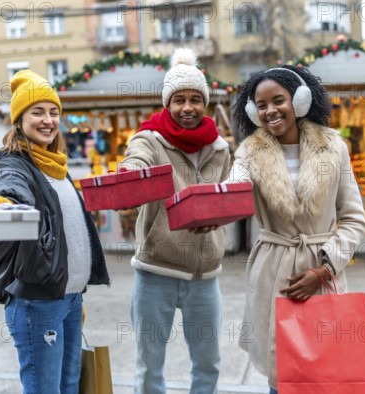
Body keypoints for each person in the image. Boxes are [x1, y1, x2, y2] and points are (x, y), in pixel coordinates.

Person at [228, 65, 365, 393]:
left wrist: (324, 269)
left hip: (323, 271)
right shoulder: (249, 153)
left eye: (278, 100)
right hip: (273, 274)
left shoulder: (334, 147)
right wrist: (205, 214)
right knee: (282, 375)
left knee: (327, 376)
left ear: (300, 100)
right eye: (261, 105)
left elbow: (354, 217)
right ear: (252, 110)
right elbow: (231, 194)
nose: (270, 111)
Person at [0, 70, 110, 393]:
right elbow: (9, 184)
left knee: (70, 386)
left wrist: (74, 289)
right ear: (19, 120)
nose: (47, 120)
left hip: (70, 298)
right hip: (37, 301)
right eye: (37, 112)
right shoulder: (13, 163)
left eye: (53, 112)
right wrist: (4, 203)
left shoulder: (57, 164)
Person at [117, 47, 230, 394]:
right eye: (179, 99)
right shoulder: (150, 140)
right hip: (156, 273)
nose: (187, 108)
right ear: (167, 104)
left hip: (205, 277)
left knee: (208, 364)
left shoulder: (221, 149)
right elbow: (135, 159)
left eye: (196, 99)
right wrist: (128, 173)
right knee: (150, 367)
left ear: (206, 103)